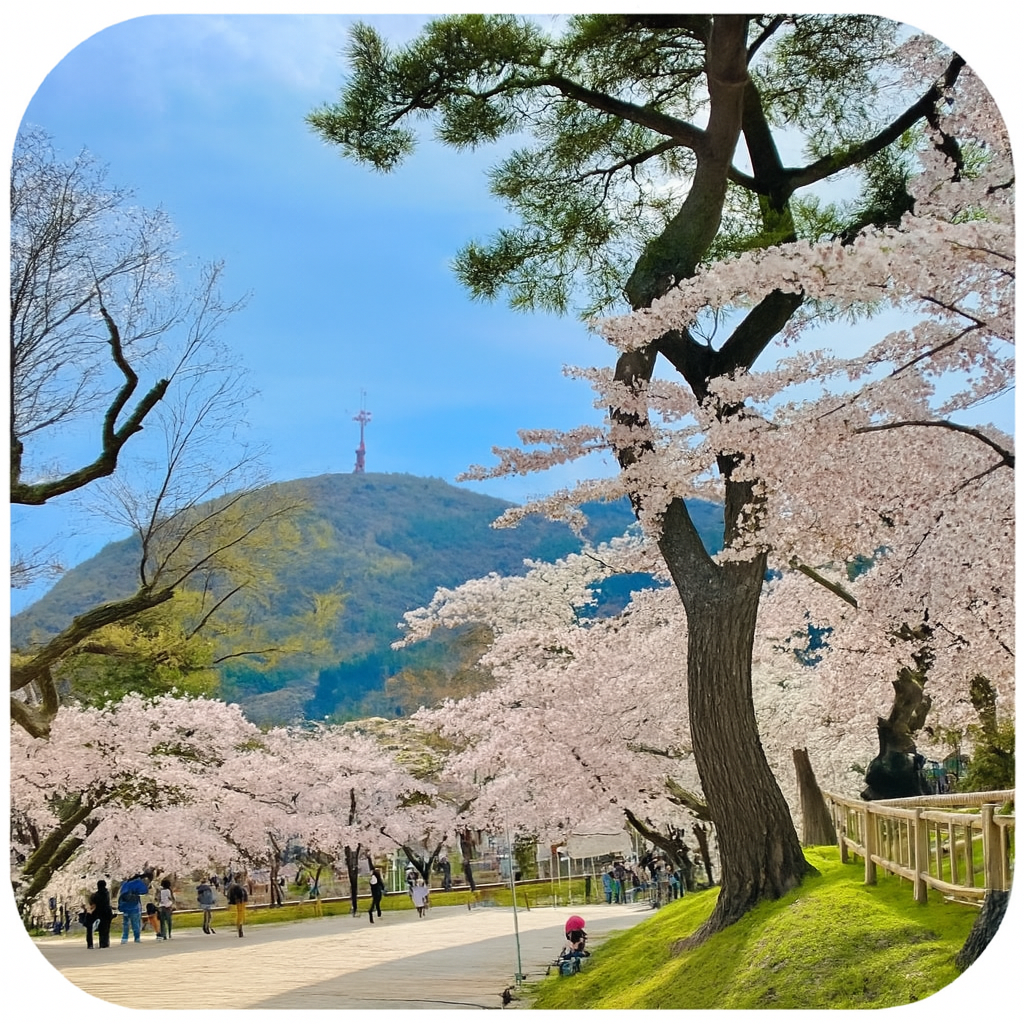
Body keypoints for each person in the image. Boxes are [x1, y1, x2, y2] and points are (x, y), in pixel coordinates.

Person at [117, 874, 149, 944]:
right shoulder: (137, 884)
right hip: (135, 908)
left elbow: (121, 896)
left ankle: (124, 938)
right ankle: (137, 938)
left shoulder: (125, 885)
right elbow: (144, 891)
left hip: (126, 908)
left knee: (126, 924)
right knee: (136, 923)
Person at [89, 880, 114, 949]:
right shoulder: (107, 893)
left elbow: (93, 903)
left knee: (101, 928)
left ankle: (102, 943)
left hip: (99, 912)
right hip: (107, 912)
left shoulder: (96, 895)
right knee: (106, 928)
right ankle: (106, 943)